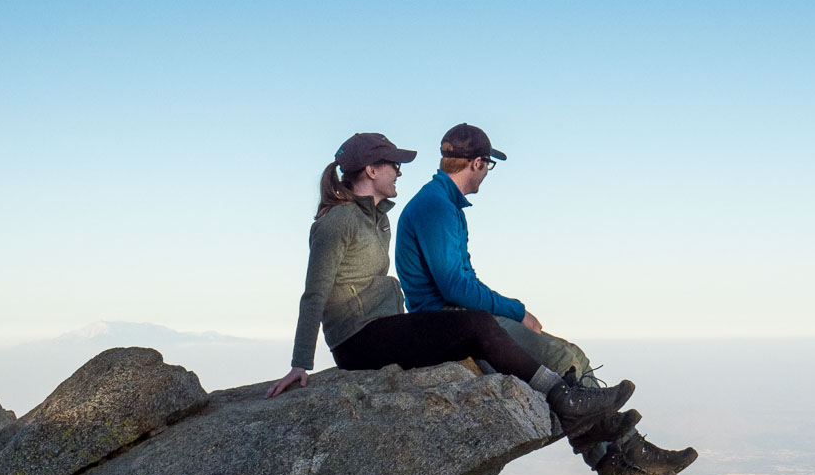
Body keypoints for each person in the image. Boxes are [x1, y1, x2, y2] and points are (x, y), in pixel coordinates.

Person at [266, 132, 635, 448]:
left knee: (474, 330)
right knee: (474, 326)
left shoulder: (377, 221)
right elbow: (314, 293)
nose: (399, 171)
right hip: (358, 340)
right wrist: (301, 363)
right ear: (371, 171)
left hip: (382, 329)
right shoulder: (338, 222)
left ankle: (581, 416)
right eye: (393, 164)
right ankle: (562, 397)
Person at [395, 123, 697, 475]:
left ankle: (623, 455)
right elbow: (455, 286)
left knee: (575, 355)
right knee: (564, 360)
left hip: (456, 315)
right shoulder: (436, 206)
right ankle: (615, 463)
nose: (487, 174)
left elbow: (459, 281)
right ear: (477, 163)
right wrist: (517, 311)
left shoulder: (441, 204)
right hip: (450, 321)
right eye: (488, 166)